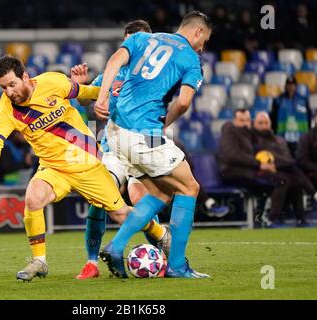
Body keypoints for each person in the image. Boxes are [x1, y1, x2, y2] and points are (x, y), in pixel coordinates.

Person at [0, 55, 167, 282]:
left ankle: (160, 232)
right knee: (33, 198)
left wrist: (105, 92)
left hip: (86, 162)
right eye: (3, 87)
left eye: (12, 84)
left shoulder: (53, 82)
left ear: (25, 77)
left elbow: (84, 93)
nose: (9, 92)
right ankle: (39, 260)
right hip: (53, 168)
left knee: (120, 214)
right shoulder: (6, 109)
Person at [94, 11, 212, 279]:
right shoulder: (191, 59)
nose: (203, 47)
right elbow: (183, 102)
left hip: (114, 132)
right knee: (190, 187)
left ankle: (116, 246)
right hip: (144, 134)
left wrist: (102, 99)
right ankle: (178, 266)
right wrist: (165, 123)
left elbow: (114, 61)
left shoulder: (142, 39)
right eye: (204, 39)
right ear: (197, 32)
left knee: (160, 193)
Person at [70, 20, 171, 280]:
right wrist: (80, 87)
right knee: (100, 196)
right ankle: (91, 262)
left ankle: (161, 257)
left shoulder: (161, 76)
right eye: (129, 41)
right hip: (114, 148)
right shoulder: (113, 73)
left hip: (145, 145)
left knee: (142, 199)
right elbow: (86, 98)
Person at [218, 109, 291, 227]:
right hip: (232, 171)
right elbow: (233, 155)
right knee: (280, 181)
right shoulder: (229, 130)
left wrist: (267, 165)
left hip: (248, 170)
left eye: (247, 120)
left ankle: (260, 219)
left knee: (279, 180)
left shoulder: (248, 134)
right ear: (234, 121)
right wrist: (259, 165)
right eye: (241, 120)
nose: (245, 123)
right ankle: (270, 219)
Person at [252, 112, 317, 227]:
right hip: (260, 173)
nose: (263, 126)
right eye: (260, 123)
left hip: (280, 170)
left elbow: (286, 158)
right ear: (254, 124)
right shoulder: (252, 140)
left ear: (270, 124)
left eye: (266, 123)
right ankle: (272, 219)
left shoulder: (278, 140)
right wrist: (283, 161)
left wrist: (280, 161)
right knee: (286, 178)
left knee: (296, 181)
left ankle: (301, 219)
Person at [271, 75, 311, 156]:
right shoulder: (278, 100)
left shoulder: (303, 100)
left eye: (292, 84)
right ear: (285, 86)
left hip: (300, 138)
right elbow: (273, 118)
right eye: (288, 84)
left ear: (296, 86)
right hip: (283, 138)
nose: (290, 87)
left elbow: (309, 118)